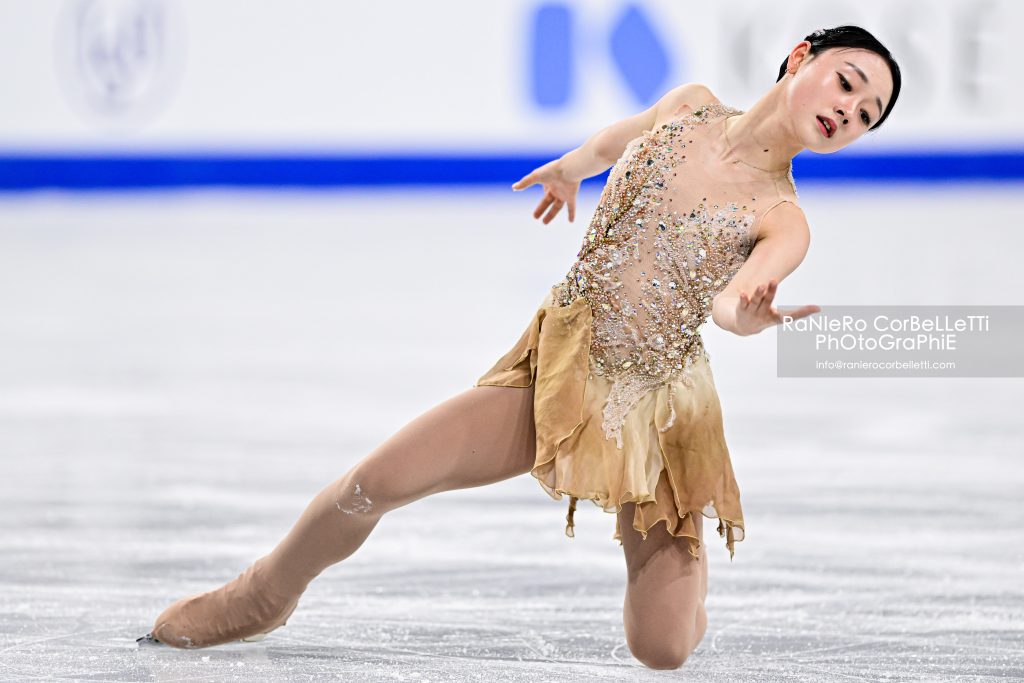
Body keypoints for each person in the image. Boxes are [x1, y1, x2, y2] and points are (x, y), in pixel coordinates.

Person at [138, 25, 900, 670]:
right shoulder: (688, 106)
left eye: (867, 114)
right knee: (375, 480)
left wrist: (747, 317)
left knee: (662, 647)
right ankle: (264, 592)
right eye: (848, 83)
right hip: (561, 366)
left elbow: (734, 301)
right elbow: (616, 141)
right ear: (800, 57)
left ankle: (688, 585)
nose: (849, 110)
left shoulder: (783, 217)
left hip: (656, 409)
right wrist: (571, 169)